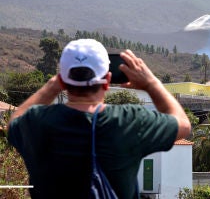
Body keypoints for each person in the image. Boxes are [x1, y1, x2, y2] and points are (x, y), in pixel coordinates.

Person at [7, 39, 191, 199]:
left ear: (63, 80)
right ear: (107, 79)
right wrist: (151, 83)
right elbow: (182, 124)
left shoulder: (37, 122)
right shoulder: (128, 121)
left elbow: (14, 121)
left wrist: (52, 86)